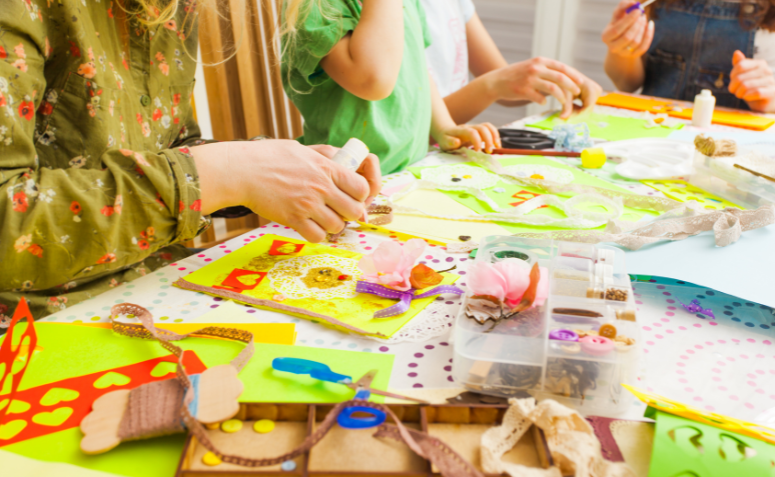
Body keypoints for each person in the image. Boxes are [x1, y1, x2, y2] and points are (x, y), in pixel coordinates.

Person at [0, 0, 381, 319]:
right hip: (40, 325)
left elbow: (171, 149)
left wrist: (270, 168)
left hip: (162, 286)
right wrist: (227, 172)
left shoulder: (168, 9)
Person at [279, 0, 501, 175]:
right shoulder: (313, 6)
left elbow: (417, 66)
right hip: (347, 181)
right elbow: (373, 82)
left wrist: (443, 127)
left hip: (411, 170)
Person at [420, 0, 603, 124]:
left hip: (444, 152)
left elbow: (503, 82)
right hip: (407, 161)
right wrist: (492, 85)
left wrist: (555, 79)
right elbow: (412, 128)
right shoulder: (396, 9)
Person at [603, 0, 775, 112]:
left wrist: (769, 99)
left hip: (733, 144)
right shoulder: (649, 3)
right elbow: (626, 83)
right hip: (652, 131)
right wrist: (623, 48)